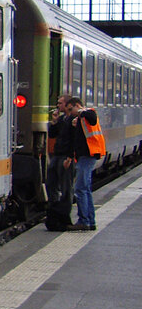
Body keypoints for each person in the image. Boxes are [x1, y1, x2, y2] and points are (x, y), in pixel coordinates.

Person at [66, 96, 104, 230]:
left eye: (71, 109)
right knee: (85, 189)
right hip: (84, 156)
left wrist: (81, 112)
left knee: (80, 188)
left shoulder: (89, 112)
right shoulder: (81, 119)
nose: (71, 113)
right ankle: (90, 221)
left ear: (78, 105)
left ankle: (84, 221)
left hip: (89, 155)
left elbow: (92, 118)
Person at [44, 94, 75, 230]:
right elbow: (52, 135)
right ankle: (54, 212)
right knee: (51, 185)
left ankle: (64, 217)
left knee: (66, 187)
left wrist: (70, 157)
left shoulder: (74, 120)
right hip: (57, 156)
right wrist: (54, 122)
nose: (58, 105)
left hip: (66, 158)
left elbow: (75, 140)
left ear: (68, 105)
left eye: (60, 103)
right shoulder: (62, 119)